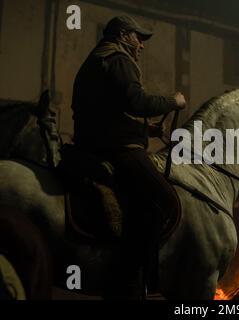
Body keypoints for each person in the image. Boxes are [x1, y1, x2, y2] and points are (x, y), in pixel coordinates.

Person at [71, 15, 186, 296]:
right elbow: (137, 101)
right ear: (124, 35)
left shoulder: (97, 59)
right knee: (165, 200)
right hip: (115, 149)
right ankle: (132, 276)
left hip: (95, 142)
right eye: (139, 38)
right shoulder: (119, 59)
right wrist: (173, 100)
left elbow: (108, 113)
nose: (142, 46)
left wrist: (148, 130)